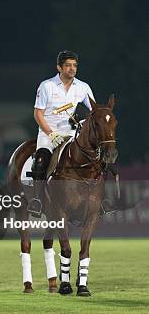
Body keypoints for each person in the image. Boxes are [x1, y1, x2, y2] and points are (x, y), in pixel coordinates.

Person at [27, 50, 95, 216]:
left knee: (93, 155)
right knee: (41, 157)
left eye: (74, 66)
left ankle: (99, 199)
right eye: (68, 66)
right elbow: (38, 114)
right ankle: (37, 200)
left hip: (71, 132)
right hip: (48, 132)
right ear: (59, 67)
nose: (72, 69)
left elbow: (95, 111)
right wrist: (50, 133)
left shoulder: (83, 87)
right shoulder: (47, 86)